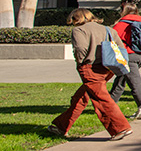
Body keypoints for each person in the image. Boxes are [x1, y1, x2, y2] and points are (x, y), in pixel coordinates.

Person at [49, 9, 132, 141]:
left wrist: (81, 62)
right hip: (107, 67)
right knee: (80, 97)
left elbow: (80, 49)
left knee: (101, 99)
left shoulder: (79, 30)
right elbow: (121, 47)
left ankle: (120, 128)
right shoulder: (108, 29)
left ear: (77, 19)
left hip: (90, 67)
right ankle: (60, 126)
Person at [108, 3, 141, 120]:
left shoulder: (121, 25)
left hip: (129, 57)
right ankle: (109, 104)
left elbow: (112, 40)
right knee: (122, 78)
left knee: (135, 83)